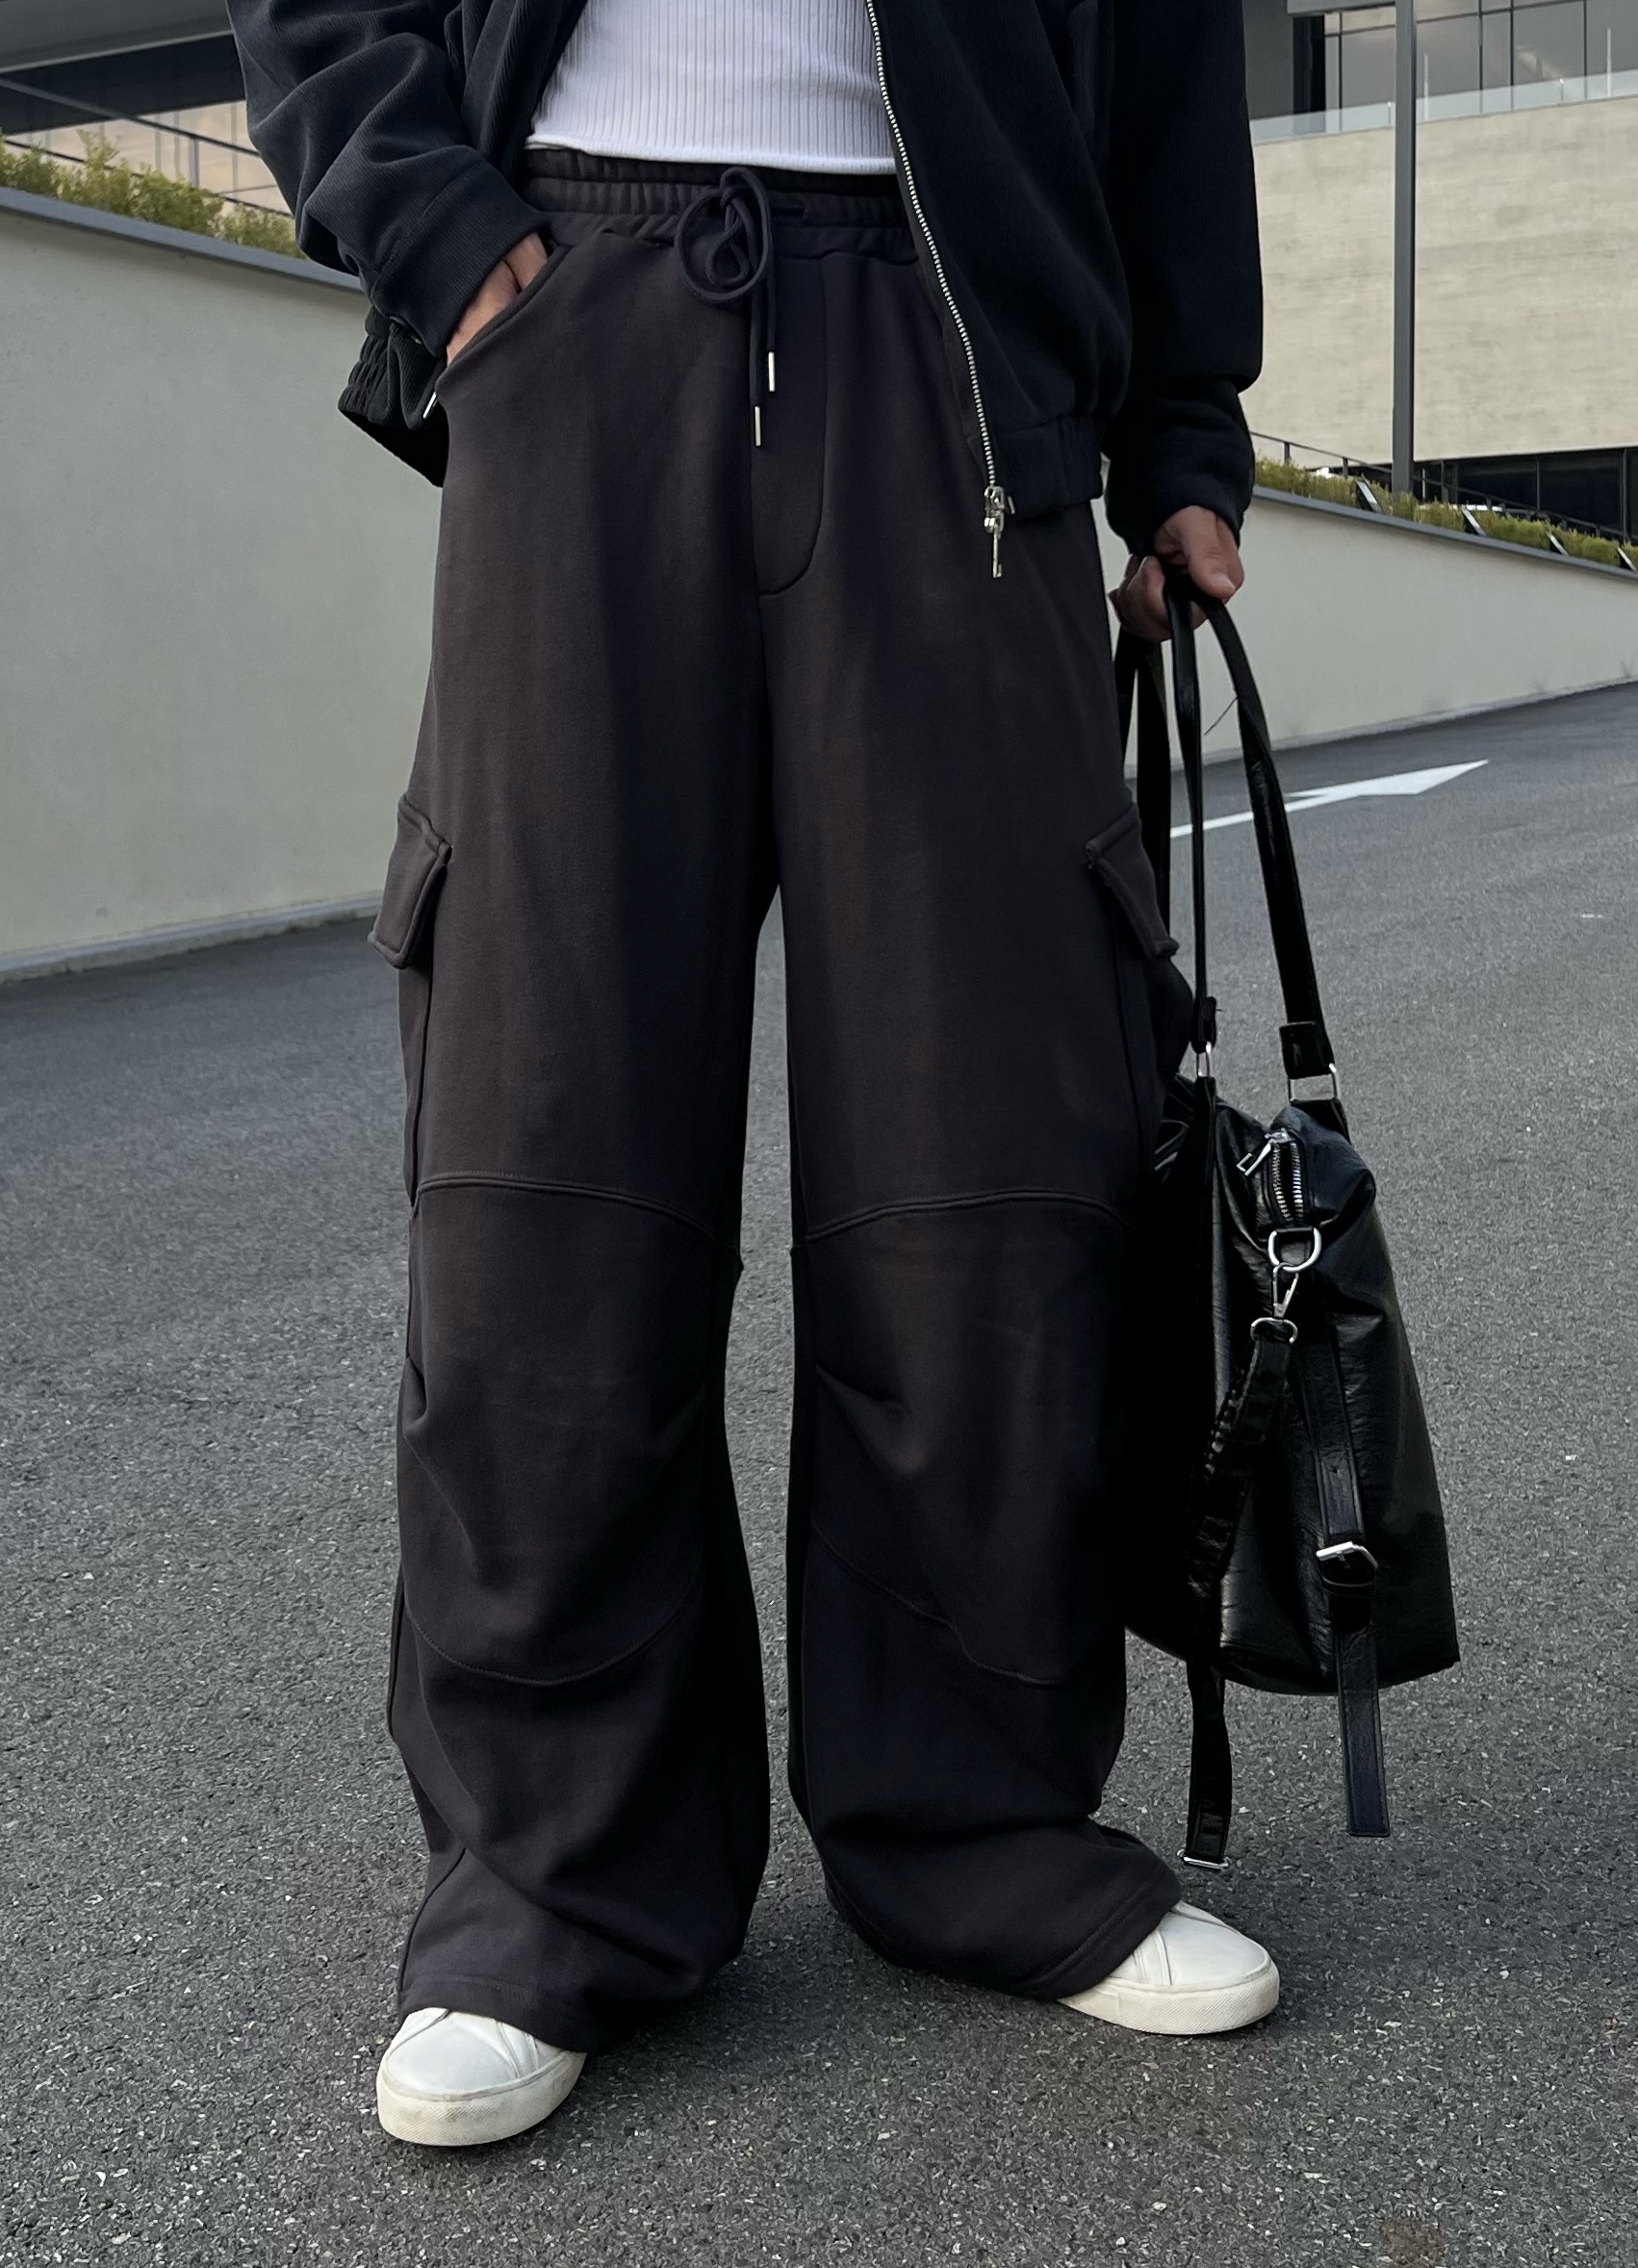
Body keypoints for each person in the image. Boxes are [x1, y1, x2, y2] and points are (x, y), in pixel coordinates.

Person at [226, 0, 1272, 2149]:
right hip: (574, 308)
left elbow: (1167, 36)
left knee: (990, 1157)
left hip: (961, 352)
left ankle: (981, 1818)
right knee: (546, 1146)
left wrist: (1179, 420)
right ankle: (550, 1875)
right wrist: (441, 233)